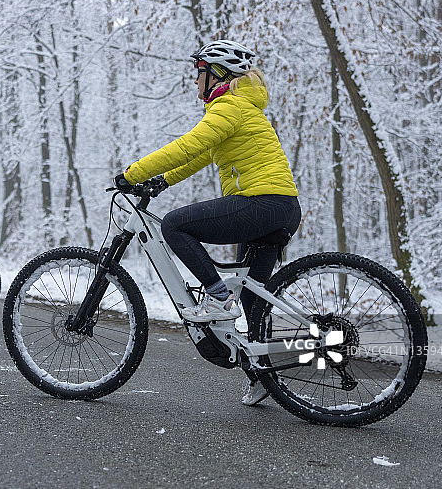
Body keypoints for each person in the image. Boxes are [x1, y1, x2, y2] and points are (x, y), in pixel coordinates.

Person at [113, 39, 302, 405]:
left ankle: (216, 298)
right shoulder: (239, 108)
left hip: (260, 202)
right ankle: (264, 373)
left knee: (174, 225)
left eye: (198, 72)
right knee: (252, 296)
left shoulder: (229, 106)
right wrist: (162, 180)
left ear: (217, 74)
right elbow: (198, 156)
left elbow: (187, 145)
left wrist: (132, 174)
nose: (194, 81)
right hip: (280, 206)